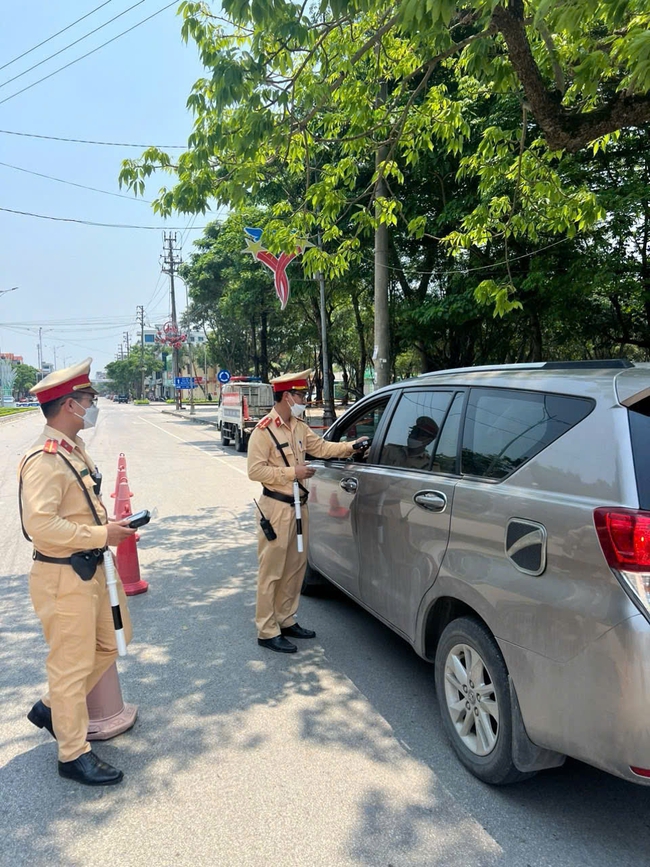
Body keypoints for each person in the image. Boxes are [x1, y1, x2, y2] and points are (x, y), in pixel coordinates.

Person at [18, 358, 137, 786]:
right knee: (70, 667)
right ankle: (72, 754)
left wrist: (103, 534)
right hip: (62, 577)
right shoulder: (45, 460)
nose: (93, 405)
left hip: (87, 571)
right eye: (89, 399)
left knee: (109, 645)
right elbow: (41, 526)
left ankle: (51, 707)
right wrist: (101, 534)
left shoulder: (71, 449)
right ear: (70, 405)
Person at [247, 369, 368, 653]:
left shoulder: (299, 426)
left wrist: (351, 447)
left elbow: (322, 447)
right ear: (287, 397)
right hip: (275, 508)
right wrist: (294, 472)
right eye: (301, 395)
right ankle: (267, 630)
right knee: (272, 571)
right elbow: (254, 470)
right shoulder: (264, 430)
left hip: (300, 507)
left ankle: (286, 619)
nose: (304, 399)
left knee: (295, 568)